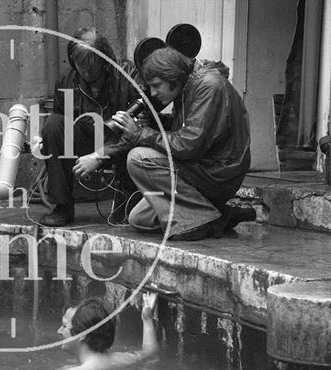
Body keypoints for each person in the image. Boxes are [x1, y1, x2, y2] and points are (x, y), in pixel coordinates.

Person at [110, 47, 255, 240]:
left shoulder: (209, 87)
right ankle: (220, 216)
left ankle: (199, 220)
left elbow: (188, 145)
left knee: (138, 158)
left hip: (217, 172)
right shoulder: (187, 86)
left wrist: (141, 133)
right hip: (199, 167)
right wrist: (154, 123)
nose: (152, 93)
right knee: (140, 219)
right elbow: (187, 130)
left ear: (173, 78)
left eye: (156, 85)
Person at [38, 26, 142, 227]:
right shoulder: (67, 81)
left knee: (139, 136)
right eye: (80, 65)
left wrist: (101, 155)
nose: (85, 72)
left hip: (120, 143)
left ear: (104, 61)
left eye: (91, 66)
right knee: (53, 125)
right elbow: (59, 126)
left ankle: (127, 198)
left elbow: (140, 130)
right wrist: (46, 140)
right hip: (87, 140)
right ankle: (62, 206)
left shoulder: (127, 75)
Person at [53, 292, 159, 370]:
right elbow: (149, 353)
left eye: (64, 326)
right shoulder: (121, 359)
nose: (59, 331)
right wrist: (147, 318)